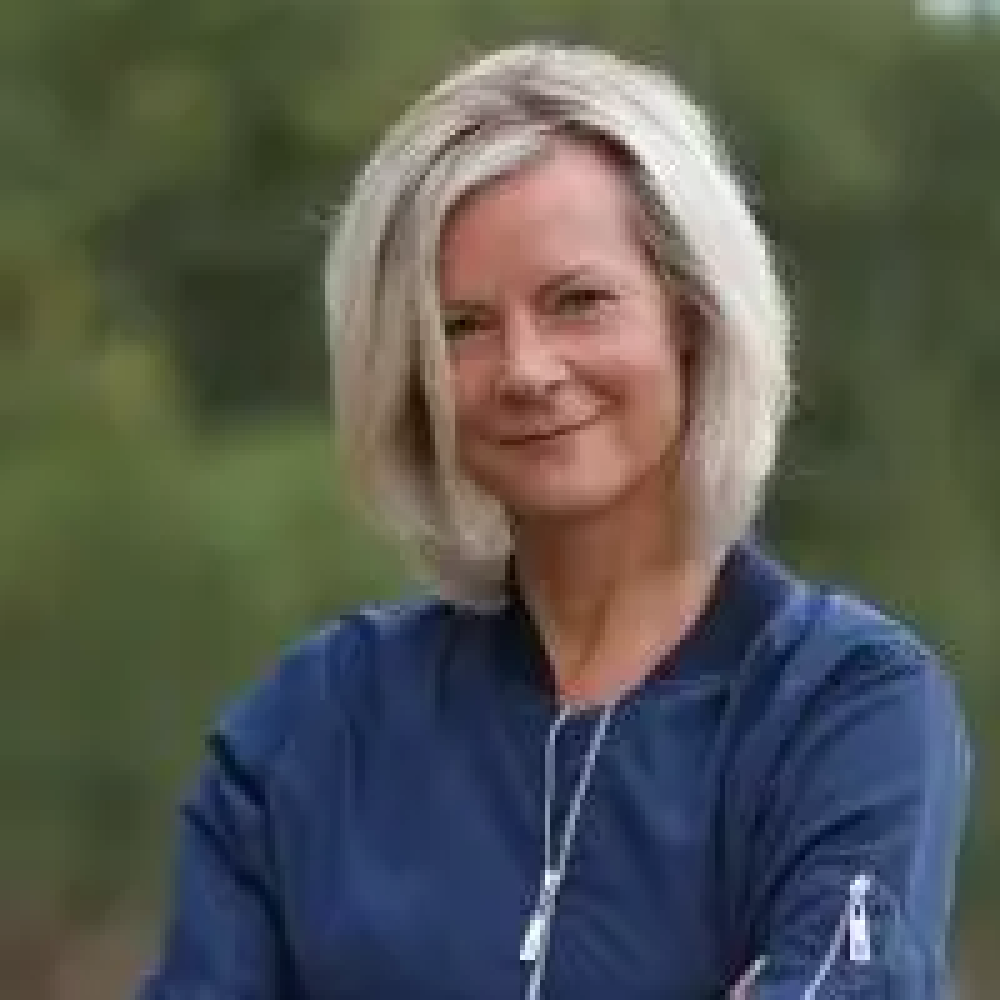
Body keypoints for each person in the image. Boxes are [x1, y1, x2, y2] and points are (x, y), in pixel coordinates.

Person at [136, 42, 972, 999]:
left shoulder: (841, 707)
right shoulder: (315, 728)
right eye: (462, 326)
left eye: (579, 302)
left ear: (691, 315)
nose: (527, 371)